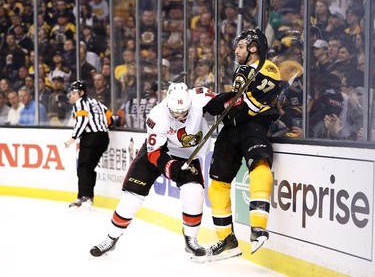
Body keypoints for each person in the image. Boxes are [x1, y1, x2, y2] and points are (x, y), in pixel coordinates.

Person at [89, 83, 215, 262]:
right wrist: (170, 167)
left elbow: (222, 101)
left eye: (184, 112)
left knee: (194, 193)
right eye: (175, 112)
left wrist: (230, 104)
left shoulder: (199, 97)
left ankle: (191, 239)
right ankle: (111, 238)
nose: (179, 116)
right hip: (157, 152)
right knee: (131, 197)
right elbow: (155, 152)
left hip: (186, 153)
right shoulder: (157, 115)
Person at [203, 28, 281, 260]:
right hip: (231, 130)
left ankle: (258, 227)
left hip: (253, 126)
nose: (235, 50)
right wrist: (224, 103)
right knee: (217, 181)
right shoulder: (242, 70)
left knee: (259, 164)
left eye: (240, 46)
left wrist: (222, 101)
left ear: (253, 47)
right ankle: (227, 240)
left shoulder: (268, 69)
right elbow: (233, 105)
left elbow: (248, 105)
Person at [64, 80, 119, 209]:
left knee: (83, 167)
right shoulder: (96, 102)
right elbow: (110, 118)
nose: (71, 95)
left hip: (90, 138)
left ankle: (83, 197)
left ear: (81, 93)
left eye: (74, 92)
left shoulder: (80, 103)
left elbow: (83, 120)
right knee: (89, 168)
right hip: (103, 138)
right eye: (70, 93)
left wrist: (73, 137)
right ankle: (89, 197)